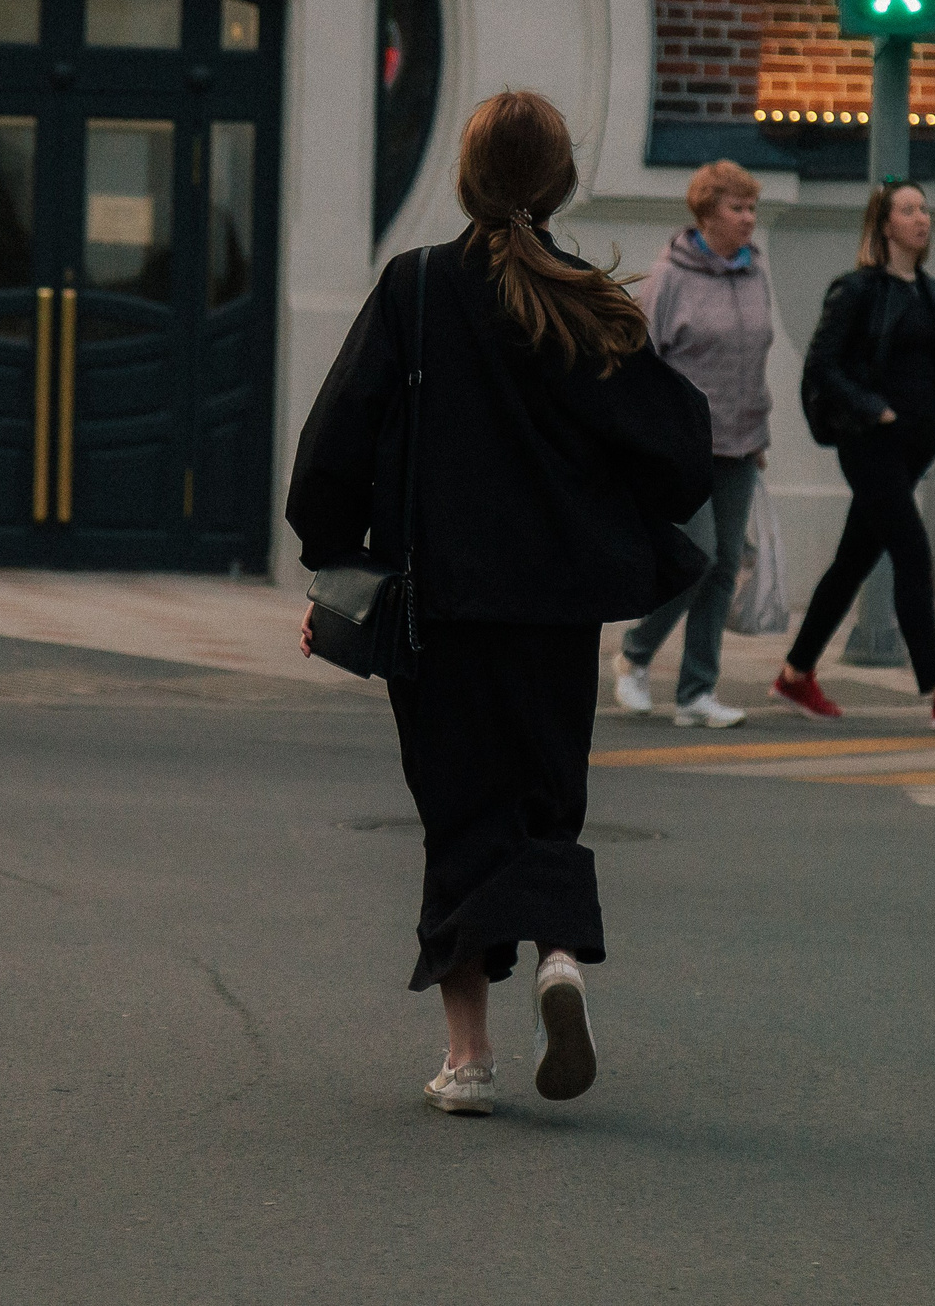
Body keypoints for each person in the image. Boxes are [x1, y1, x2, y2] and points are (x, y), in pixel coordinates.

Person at [287, 91, 713, 1118]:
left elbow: (334, 445)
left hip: (440, 606)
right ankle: (560, 958)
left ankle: (469, 1058)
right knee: (544, 795)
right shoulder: (587, 301)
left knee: (461, 817)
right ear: (560, 184)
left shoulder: (416, 288)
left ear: (466, 177)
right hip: (559, 606)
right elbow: (678, 452)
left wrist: (334, 559)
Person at [775, 179, 935, 734]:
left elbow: (929, 364)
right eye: (909, 210)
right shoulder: (856, 290)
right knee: (912, 552)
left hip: (914, 448)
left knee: (852, 562)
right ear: (885, 224)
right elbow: (821, 365)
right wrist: (876, 411)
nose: (922, 218)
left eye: (925, 208)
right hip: (870, 445)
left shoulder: (926, 291)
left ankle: (796, 674)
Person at [614, 159, 776, 729]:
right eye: (737, 208)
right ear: (707, 213)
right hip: (683, 447)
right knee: (697, 556)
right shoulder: (669, 277)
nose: (748, 218)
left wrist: (759, 433)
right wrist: (647, 442)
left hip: (741, 443)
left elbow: (755, 359)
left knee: (725, 565)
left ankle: (696, 692)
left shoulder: (755, 273)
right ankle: (635, 654)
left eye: (752, 208)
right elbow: (641, 364)